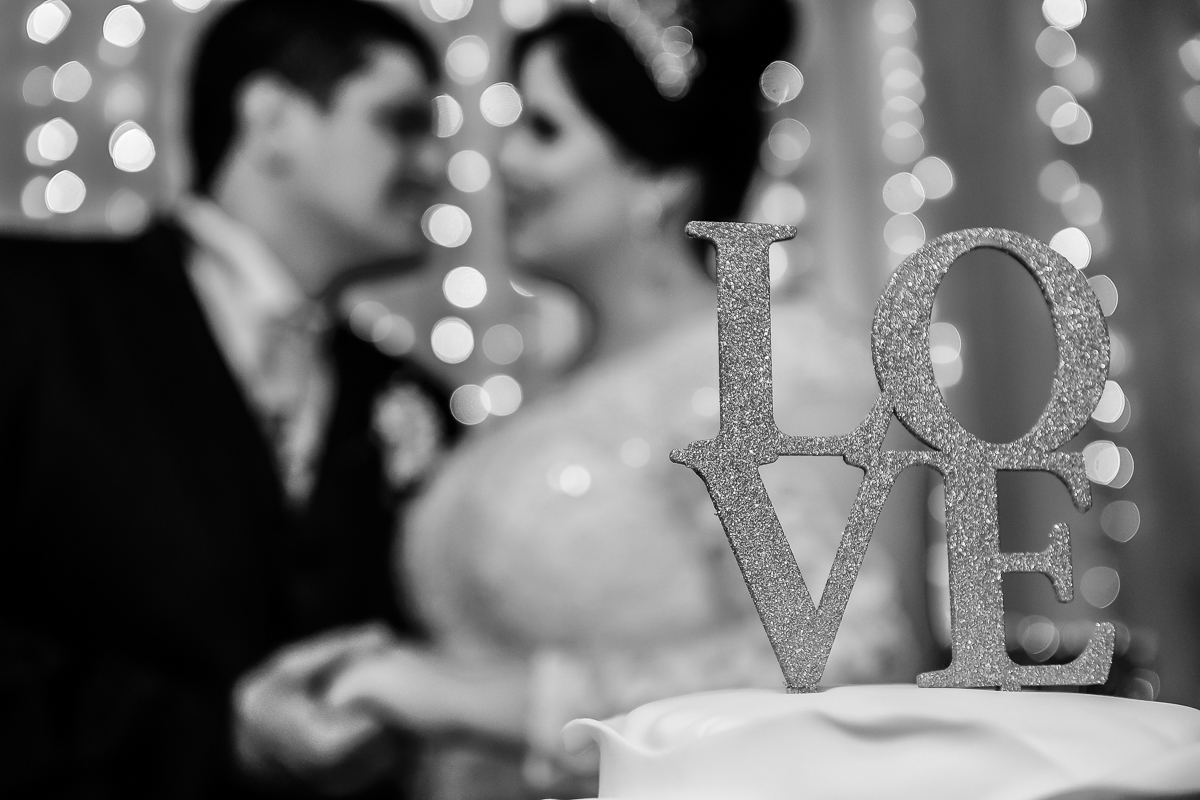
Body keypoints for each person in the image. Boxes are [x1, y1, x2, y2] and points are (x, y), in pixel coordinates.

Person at [326, 1, 921, 797]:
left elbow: (847, 655)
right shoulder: (545, 390)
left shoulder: (761, 364)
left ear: (658, 178)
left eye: (543, 129)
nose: (501, 161)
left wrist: (478, 700)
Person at [0, 1, 457, 797]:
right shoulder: (30, 307)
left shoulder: (410, 393)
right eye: (402, 121)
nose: (434, 164)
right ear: (272, 117)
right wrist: (217, 739)